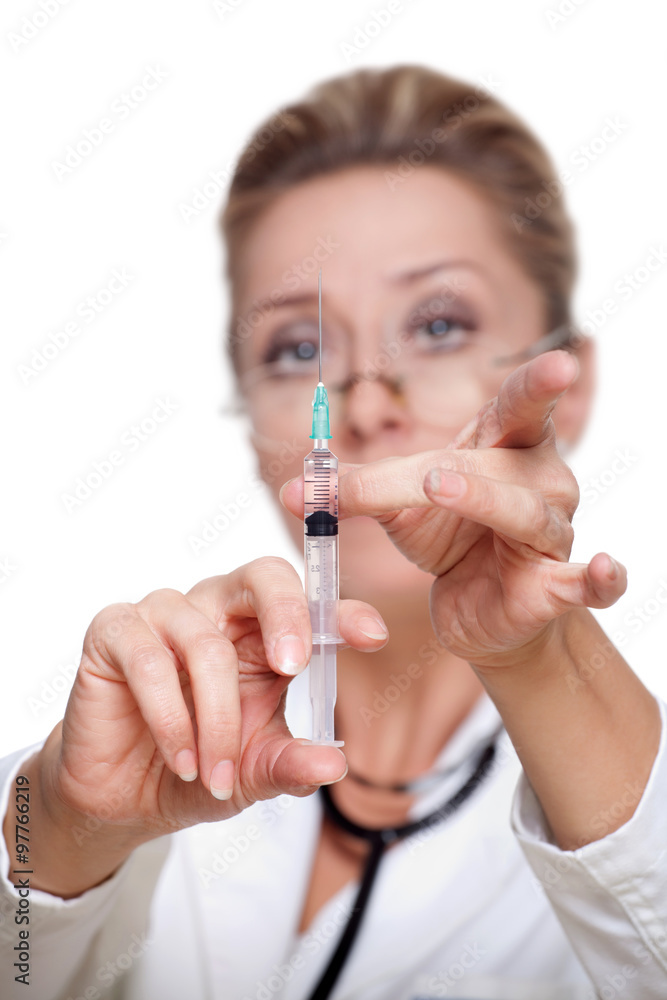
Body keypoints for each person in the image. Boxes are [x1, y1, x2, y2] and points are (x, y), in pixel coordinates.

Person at [1, 64, 665, 1000]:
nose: (362, 404)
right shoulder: (154, 747)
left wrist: (536, 656)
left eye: (437, 325)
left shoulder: (632, 801)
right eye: (301, 349)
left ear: (569, 380)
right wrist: (63, 833)